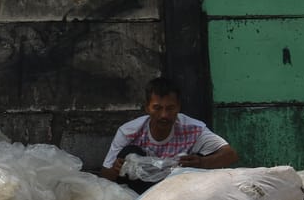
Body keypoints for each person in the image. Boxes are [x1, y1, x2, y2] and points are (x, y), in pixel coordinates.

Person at [98, 76, 238, 193]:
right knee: (129, 152)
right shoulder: (129, 132)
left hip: (178, 191)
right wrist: (117, 168)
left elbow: (230, 155)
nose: (164, 115)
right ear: (147, 108)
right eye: (157, 108)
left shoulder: (192, 128)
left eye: (170, 108)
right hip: (140, 193)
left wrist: (202, 163)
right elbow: (105, 176)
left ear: (179, 107)